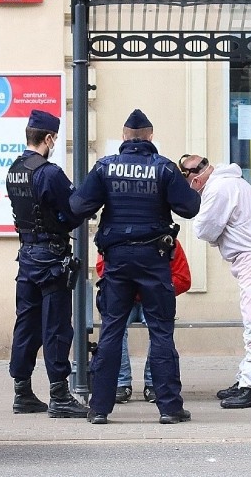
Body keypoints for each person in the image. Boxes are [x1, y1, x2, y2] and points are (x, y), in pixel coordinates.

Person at [70, 109, 201, 425]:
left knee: (112, 329)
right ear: (150, 136)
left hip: (116, 261)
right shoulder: (165, 169)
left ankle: (100, 407)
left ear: (125, 136)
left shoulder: (105, 168)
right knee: (161, 331)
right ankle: (169, 408)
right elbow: (189, 208)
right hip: (154, 260)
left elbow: (78, 206)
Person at [180, 154, 251, 409]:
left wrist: (216, 234)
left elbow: (204, 229)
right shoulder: (228, 182)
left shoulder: (219, 188)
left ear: (196, 177)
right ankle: (246, 378)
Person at [6, 109, 88, 418]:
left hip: (26, 256)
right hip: (51, 257)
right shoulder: (49, 172)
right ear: (49, 138)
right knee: (55, 326)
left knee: (26, 325)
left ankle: (22, 392)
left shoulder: (15, 169)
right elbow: (72, 210)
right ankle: (59, 396)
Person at [95, 240, 192, 405]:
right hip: (129, 299)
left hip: (151, 297)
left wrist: (149, 290)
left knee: (156, 331)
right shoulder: (118, 237)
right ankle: (122, 383)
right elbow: (102, 269)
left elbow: (183, 279)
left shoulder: (169, 242)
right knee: (117, 331)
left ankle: (152, 383)